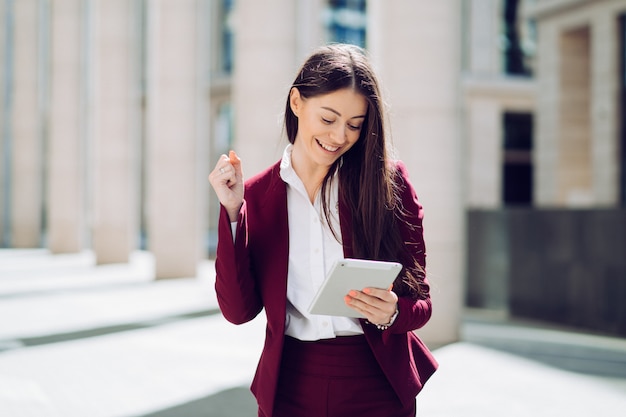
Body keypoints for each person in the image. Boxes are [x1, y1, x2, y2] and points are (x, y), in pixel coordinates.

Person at [208, 43, 437, 417]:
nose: (339, 136)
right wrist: (233, 212)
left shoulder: (386, 184)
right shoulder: (257, 197)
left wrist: (393, 312)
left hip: (377, 385)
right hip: (291, 386)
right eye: (328, 119)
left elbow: (421, 303)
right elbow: (237, 312)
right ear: (297, 103)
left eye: (354, 125)